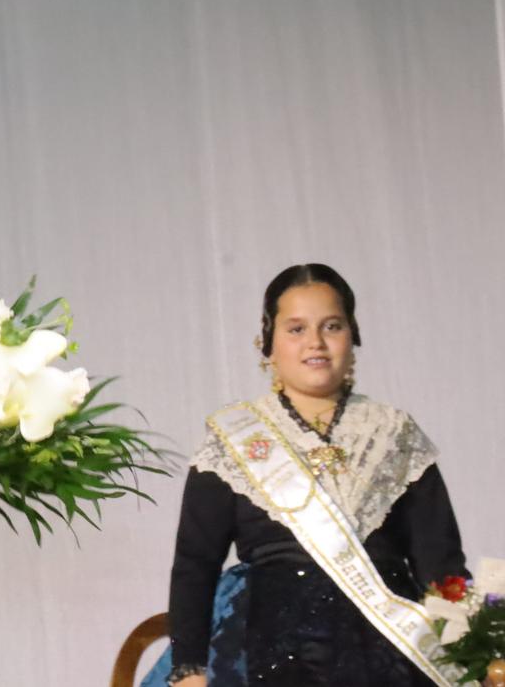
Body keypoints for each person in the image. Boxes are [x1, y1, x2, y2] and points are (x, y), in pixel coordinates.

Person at [167, 263, 467, 686]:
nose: (316, 343)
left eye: (332, 326)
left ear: (353, 335)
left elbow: (441, 564)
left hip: (392, 649)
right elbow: (195, 565)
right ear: (267, 342)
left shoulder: (395, 432)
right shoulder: (231, 440)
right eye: (296, 329)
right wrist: (189, 669)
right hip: (273, 645)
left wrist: (470, 655)